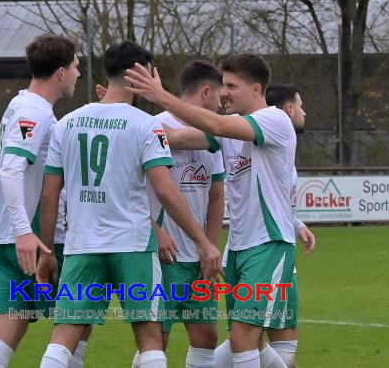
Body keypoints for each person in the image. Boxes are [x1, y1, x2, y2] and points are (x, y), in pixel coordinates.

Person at [38, 41, 221, 368]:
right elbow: (166, 191)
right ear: (142, 73)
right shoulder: (146, 124)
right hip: (133, 246)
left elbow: (51, 194)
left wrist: (48, 250)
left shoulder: (66, 124)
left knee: (64, 334)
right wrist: (203, 241)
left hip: (83, 245)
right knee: (150, 338)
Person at [124, 53, 302, 368]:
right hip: (239, 248)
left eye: (232, 86)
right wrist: (121, 121)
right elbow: (175, 136)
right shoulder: (228, 131)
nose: (224, 93)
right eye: (223, 85)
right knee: (249, 340)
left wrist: (160, 95)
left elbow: (216, 124)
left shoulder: (274, 120)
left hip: (269, 243)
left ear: (256, 89)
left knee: (243, 338)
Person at [0, 35, 80, 368]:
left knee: (9, 329)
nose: (78, 73)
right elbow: (11, 169)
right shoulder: (33, 111)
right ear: (61, 72)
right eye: (76, 66)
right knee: (77, 322)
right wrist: (24, 231)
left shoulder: (21, 104)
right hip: (31, 240)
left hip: (4, 238)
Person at [215, 83, 316, 368]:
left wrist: (295, 223)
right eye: (300, 105)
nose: (304, 112)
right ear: (288, 108)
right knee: (249, 340)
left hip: (272, 252)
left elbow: (276, 200)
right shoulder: (259, 135)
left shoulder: (277, 145)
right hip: (252, 248)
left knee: (263, 342)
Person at [136, 61, 226, 368]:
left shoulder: (216, 133)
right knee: (156, 341)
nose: (222, 102)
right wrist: (154, 230)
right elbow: (127, 191)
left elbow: (216, 199)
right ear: (206, 92)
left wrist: (209, 248)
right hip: (162, 256)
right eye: (220, 95)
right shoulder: (150, 125)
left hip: (198, 256)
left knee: (206, 337)